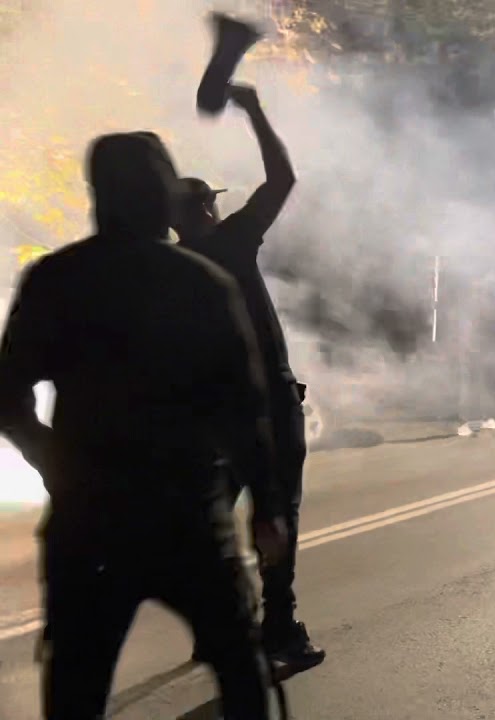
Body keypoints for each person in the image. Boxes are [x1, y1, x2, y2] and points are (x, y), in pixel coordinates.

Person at [0, 131, 286, 719]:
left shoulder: (57, 279)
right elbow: (245, 408)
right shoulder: (201, 282)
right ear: (160, 197)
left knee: (76, 692)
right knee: (242, 675)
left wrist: (52, 462)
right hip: (187, 516)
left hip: (89, 520)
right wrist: (267, 508)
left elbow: (6, 395)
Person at [174, 83, 325, 675]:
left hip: (206, 418)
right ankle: (280, 632)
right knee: (276, 511)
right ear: (207, 210)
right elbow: (282, 179)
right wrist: (254, 107)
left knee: (210, 518)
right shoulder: (232, 245)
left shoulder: (169, 272)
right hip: (266, 407)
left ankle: (216, 628)